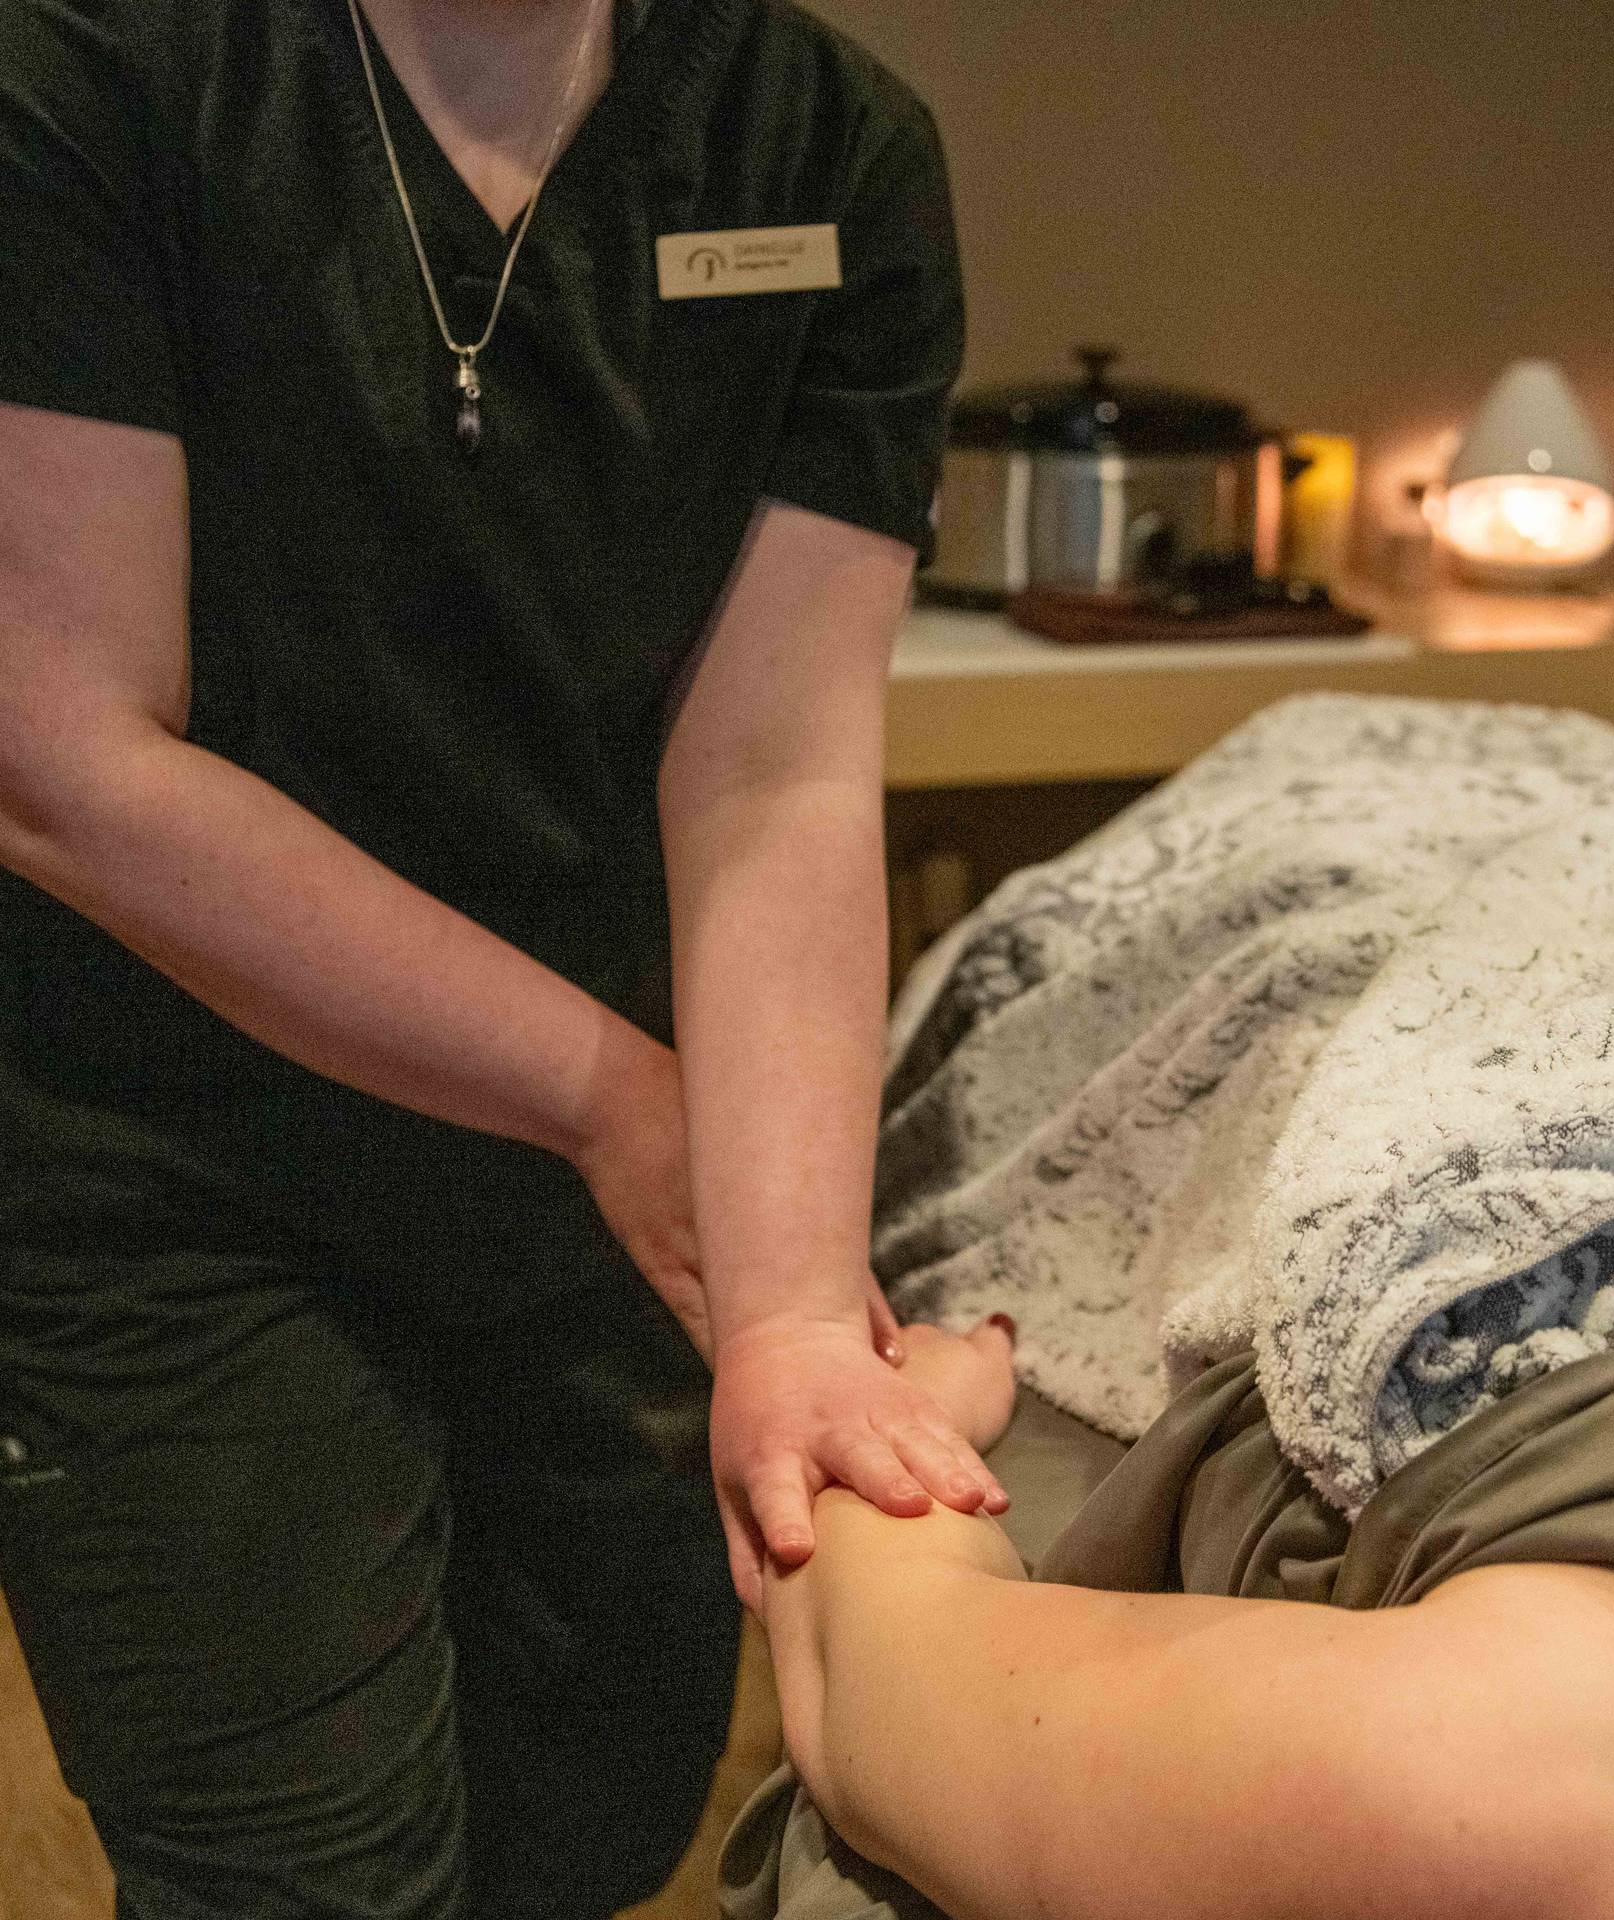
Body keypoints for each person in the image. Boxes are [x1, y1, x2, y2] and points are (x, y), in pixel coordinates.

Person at [0, 0, 1009, 1913]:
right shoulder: (90, 76)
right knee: (304, 1879)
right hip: (172, 1166)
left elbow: (780, 775)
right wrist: (612, 1092)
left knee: (588, 1837)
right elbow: (64, 760)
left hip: (588, 1196)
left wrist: (792, 1315)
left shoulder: (822, 148)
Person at [747, 1318, 1614, 1920]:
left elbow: (885, 1673)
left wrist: (915, 1411)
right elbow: (890, 1675)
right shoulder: (1517, 1792)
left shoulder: (1513, 1797)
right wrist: (899, 1419)